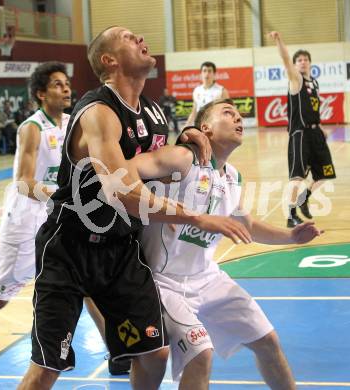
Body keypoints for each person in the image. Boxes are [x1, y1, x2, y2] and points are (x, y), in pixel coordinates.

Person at [18, 27, 252, 390]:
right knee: (48, 368)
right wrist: (193, 216)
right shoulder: (99, 112)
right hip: (71, 247)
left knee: (154, 352)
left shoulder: (155, 113)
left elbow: (150, 161)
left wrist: (184, 138)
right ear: (109, 61)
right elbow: (121, 192)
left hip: (121, 248)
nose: (142, 38)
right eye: (129, 38)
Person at [130, 98, 322, 390]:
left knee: (268, 341)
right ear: (204, 128)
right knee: (200, 354)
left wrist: (291, 237)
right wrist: (159, 204)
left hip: (208, 278)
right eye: (228, 113)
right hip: (163, 281)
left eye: (239, 114)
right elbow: (124, 171)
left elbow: (247, 225)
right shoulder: (183, 158)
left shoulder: (233, 177)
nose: (238, 118)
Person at [0, 62, 71, 333]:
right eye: (58, 84)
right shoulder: (31, 128)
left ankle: (117, 356)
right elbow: (23, 183)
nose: (66, 87)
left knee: (82, 283)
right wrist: (63, 196)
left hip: (55, 217)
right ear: (41, 94)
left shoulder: (72, 122)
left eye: (66, 82)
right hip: (25, 220)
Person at [269, 31, 336, 228]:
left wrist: (321, 128)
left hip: (316, 133)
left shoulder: (314, 83)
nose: (302, 62)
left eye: (306, 59)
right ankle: (291, 215)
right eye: (299, 60)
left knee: (324, 174)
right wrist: (279, 40)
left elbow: (312, 109)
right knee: (297, 176)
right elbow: (285, 58)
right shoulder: (295, 80)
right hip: (300, 134)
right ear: (295, 64)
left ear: (310, 63)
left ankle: (304, 199)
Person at [185, 61, 229, 126]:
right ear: (201, 74)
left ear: (214, 74)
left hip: (215, 127)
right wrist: (186, 126)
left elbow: (228, 111)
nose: (207, 74)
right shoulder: (196, 90)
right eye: (204, 71)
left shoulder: (221, 91)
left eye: (209, 71)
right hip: (199, 126)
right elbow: (194, 111)